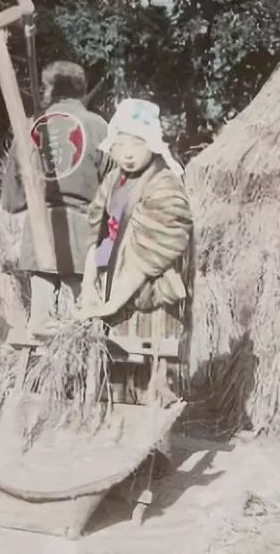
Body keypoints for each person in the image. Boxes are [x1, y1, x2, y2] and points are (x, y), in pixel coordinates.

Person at [77, 98, 193, 402]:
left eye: (137, 143)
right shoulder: (113, 181)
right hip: (112, 293)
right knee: (113, 374)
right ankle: (112, 429)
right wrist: (90, 285)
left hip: (148, 296)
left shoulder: (165, 185)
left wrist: (112, 302)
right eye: (120, 143)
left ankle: (156, 444)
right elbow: (99, 233)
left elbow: (153, 250)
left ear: (152, 144)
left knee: (152, 375)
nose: (127, 153)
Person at [0, 61, 110, 329]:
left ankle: (41, 367)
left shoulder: (29, 127)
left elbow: (12, 199)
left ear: (48, 90)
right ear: (81, 90)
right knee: (79, 320)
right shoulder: (98, 127)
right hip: (84, 229)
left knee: (40, 321)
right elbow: (115, 185)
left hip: (40, 227)